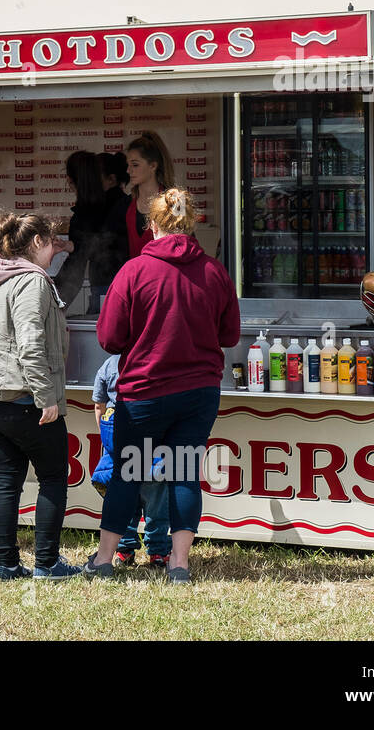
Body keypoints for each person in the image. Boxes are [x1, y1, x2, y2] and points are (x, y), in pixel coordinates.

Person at [89, 188, 240, 584]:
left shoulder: (134, 271)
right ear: (192, 224)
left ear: (152, 225)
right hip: (199, 393)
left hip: (143, 393)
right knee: (184, 472)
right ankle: (179, 563)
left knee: (127, 472)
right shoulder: (214, 272)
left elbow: (109, 339)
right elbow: (230, 335)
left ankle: (104, 559)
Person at [0, 212, 80, 581]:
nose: (56, 249)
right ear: (38, 243)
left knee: (7, 480)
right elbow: (30, 344)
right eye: (52, 242)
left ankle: (7, 565)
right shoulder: (33, 282)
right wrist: (46, 397)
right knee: (54, 477)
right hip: (24, 398)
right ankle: (47, 563)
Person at [91, 353, 169, 570]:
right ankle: (158, 552)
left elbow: (99, 406)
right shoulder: (159, 359)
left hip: (121, 446)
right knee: (157, 507)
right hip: (153, 448)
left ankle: (124, 550)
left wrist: (107, 440)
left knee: (124, 501)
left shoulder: (109, 363)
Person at [53, 151, 128, 311]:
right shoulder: (127, 205)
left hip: (107, 289)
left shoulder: (87, 214)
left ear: (71, 180)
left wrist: (53, 304)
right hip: (132, 286)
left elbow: (76, 266)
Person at [125, 132, 175, 257]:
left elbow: (185, 247)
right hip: (135, 275)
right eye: (128, 165)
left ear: (153, 165)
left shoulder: (173, 204)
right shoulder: (124, 206)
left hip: (165, 275)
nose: (128, 170)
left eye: (135, 165)